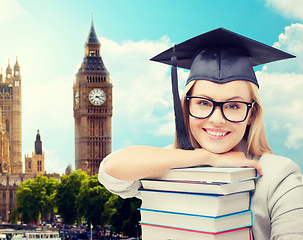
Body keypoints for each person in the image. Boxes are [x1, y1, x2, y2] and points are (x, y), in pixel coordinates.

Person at [98, 28, 303, 239]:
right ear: (186, 108)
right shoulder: (166, 163)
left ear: (251, 113)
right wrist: (207, 158)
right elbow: (111, 171)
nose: (217, 119)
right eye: (203, 103)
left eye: (233, 106)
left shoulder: (279, 175)